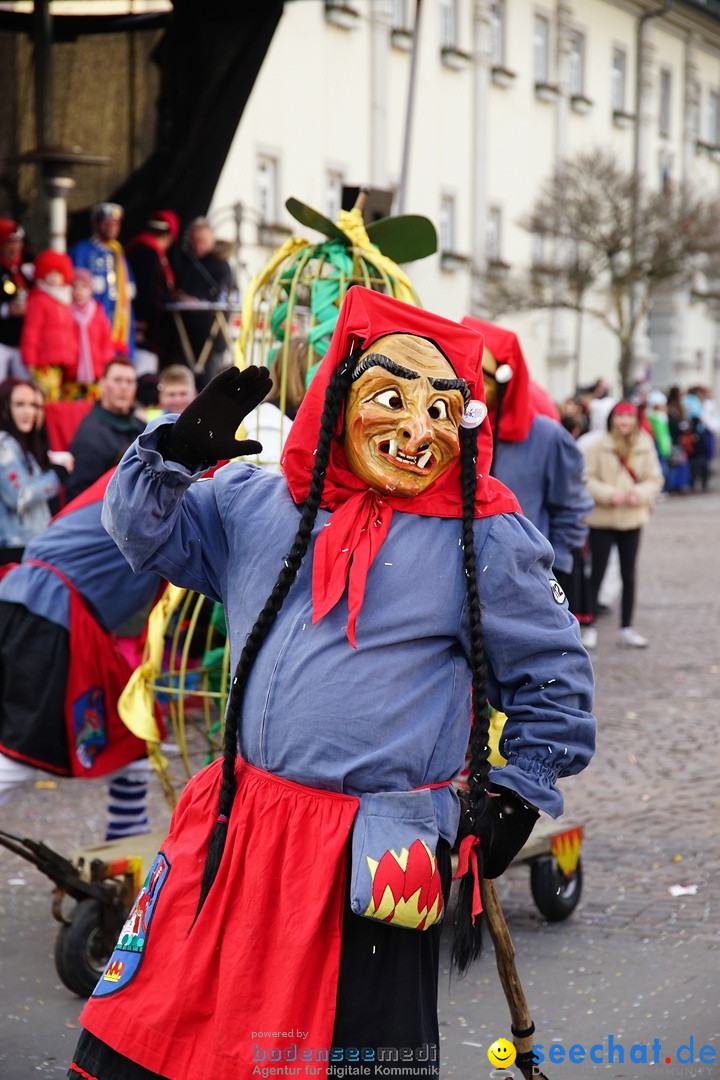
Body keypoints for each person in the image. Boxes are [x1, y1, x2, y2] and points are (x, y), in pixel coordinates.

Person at [67, 287, 595, 1080]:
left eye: (443, 411)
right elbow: (138, 528)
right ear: (340, 398)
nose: (419, 430)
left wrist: (517, 796)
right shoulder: (258, 501)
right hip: (235, 832)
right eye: (393, 399)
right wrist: (176, 452)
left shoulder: (484, 538)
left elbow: (557, 687)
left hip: (373, 856)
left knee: (354, 1061)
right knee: (158, 1042)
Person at [0, 470, 164, 840]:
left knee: (132, 736)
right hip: (49, 612)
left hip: (45, 608)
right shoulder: (156, 478)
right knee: (18, 751)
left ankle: (126, 844)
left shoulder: (138, 479)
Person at [462, 316, 594, 625]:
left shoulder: (547, 437)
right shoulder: (445, 426)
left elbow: (570, 507)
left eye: (480, 373)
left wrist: (552, 568)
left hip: (522, 578)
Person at [581, 400, 663, 648]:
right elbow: (586, 478)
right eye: (620, 417)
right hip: (603, 519)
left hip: (631, 518)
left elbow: (654, 478)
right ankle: (589, 624)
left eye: (629, 418)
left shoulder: (644, 446)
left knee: (629, 574)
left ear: (636, 420)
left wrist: (640, 493)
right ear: (613, 419)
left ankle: (626, 627)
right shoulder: (597, 447)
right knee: (597, 572)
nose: (624, 422)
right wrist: (608, 494)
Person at [0, 376, 73, 564]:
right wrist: (57, 475)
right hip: (13, 548)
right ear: (4, 407)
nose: (28, 412)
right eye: (19, 404)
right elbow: (19, 496)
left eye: (33, 405)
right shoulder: (4, 445)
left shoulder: (20, 445)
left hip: (27, 544)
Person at [64, 358, 144, 501]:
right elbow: (79, 495)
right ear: (102, 384)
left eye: (129, 382)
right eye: (118, 380)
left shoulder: (143, 427)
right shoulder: (90, 434)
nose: (124, 387)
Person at [70, 203, 136, 358]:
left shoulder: (118, 252)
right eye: (106, 223)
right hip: (94, 318)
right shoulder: (82, 249)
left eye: (115, 224)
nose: (111, 227)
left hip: (120, 320)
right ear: (97, 224)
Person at [172, 217, 235, 376]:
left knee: (210, 377)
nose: (199, 245)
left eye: (203, 241)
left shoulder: (220, 264)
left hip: (211, 334)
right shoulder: (186, 261)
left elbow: (222, 293)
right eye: (195, 241)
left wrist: (198, 300)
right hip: (187, 333)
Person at [19, 249, 77, 401]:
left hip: (62, 364)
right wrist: (30, 361)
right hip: (43, 364)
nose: (53, 278)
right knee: (46, 402)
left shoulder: (64, 299)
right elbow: (31, 332)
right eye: (49, 273)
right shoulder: (38, 299)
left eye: (57, 273)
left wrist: (72, 357)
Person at [126, 211, 179, 371]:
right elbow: (147, 289)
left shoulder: (144, 249)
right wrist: (143, 321)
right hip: (146, 326)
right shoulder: (147, 253)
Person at [70, 267, 115, 395]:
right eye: (75, 286)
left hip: (95, 370)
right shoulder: (66, 311)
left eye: (83, 287)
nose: (78, 291)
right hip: (72, 372)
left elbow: (106, 340)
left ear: (90, 290)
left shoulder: (97, 311)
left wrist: (105, 366)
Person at [0, 219, 32, 380]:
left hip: (22, 341)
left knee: (24, 386)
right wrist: (6, 309)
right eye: (10, 243)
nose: (15, 248)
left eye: (18, 242)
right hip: (2, 341)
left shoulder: (25, 265)